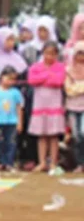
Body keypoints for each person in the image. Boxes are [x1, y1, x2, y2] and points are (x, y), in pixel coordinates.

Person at [27, 41, 66, 175]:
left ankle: (53, 162)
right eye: (47, 53)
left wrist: (44, 77)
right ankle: (42, 162)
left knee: (53, 136)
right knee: (42, 135)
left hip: (54, 105)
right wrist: (47, 74)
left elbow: (59, 81)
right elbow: (32, 80)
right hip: (40, 106)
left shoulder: (61, 67)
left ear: (57, 55)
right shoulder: (35, 66)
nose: (49, 56)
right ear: (42, 53)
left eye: (53, 54)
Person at [0, 66, 25, 172]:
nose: (10, 81)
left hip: (12, 122)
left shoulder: (16, 93)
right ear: (1, 77)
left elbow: (19, 108)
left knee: (11, 142)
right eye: (8, 78)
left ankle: (9, 162)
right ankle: (1, 162)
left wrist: (19, 122)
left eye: (13, 79)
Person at [65, 41, 84, 172]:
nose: (81, 57)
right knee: (76, 136)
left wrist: (76, 87)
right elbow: (68, 90)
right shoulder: (68, 70)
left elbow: (73, 88)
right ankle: (79, 164)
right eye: (79, 54)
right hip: (72, 107)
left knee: (83, 133)